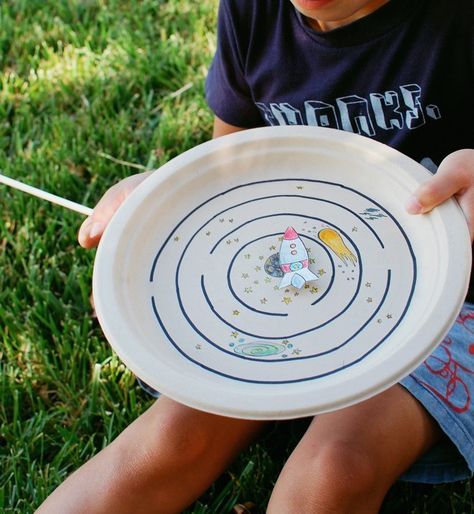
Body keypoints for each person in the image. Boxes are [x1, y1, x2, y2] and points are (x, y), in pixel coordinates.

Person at [37, 0, 474, 512]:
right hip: (284, 297)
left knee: (335, 468)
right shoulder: (254, 11)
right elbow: (234, 171)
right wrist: (158, 203)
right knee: (170, 442)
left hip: (446, 303)